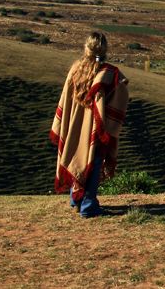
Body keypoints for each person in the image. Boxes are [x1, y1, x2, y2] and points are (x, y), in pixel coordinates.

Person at [50, 32, 129, 217]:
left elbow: (65, 100)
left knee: (76, 157)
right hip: (95, 128)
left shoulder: (75, 69)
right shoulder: (109, 73)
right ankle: (88, 206)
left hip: (74, 127)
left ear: (86, 48)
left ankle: (76, 200)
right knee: (93, 162)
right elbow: (121, 93)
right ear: (105, 49)